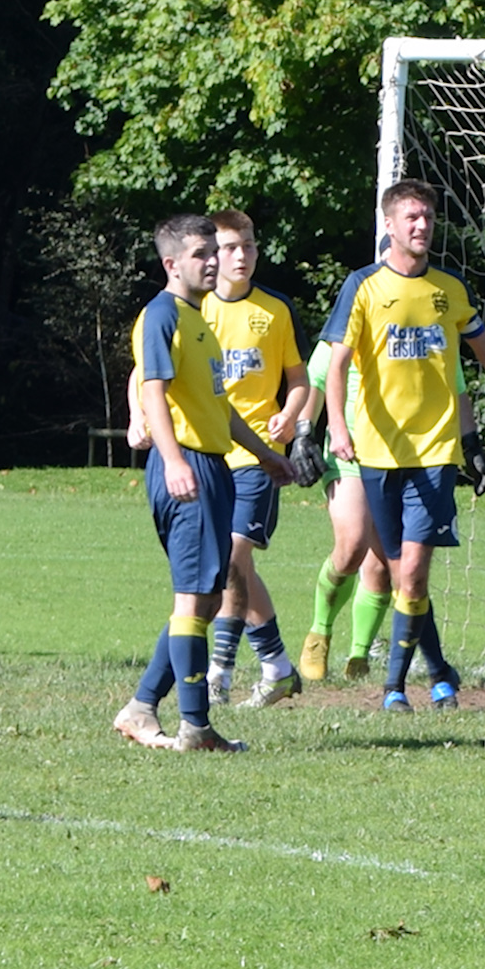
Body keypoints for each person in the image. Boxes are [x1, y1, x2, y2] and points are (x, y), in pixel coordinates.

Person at [321, 179, 485, 711]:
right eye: (410, 216)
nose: (421, 225)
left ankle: (393, 688)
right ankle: (438, 670)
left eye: (427, 217)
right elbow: (337, 365)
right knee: (395, 572)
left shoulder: (449, 289)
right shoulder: (363, 286)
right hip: (376, 451)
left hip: (435, 452)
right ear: (388, 225)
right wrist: (338, 429)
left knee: (413, 571)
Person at [113, 214, 294, 752]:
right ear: (171, 264)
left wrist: (264, 454)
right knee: (193, 600)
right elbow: (152, 392)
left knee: (210, 599)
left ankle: (143, 706)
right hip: (187, 464)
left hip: (214, 466)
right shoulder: (162, 315)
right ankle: (195, 725)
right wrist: (172, 460)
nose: (213, 261)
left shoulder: (201, 321)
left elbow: (222, 405)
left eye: (214, 251)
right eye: (200, 254)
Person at [295, 322, 481, 685]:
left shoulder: (425, 330)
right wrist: (304, 434)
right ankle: (319, 632)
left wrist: (471, 444)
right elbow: (315, 383)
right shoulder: (348, 325)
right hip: (348, 453)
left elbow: (456, 389)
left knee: (382, 568)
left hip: (400, 460)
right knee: (351, 546)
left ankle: (359, 654)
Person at [199, 210, 311, 707]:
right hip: (208, 453)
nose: (241, 255)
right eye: (230, 247)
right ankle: (278, 667)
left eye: (248, 245)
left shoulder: (275, 310)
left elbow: (300, 380)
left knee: (233, 558)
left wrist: (290, 416)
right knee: (232, 567)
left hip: (259, 458)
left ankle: (218, 674)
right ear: (211, 254)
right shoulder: (194, 310)